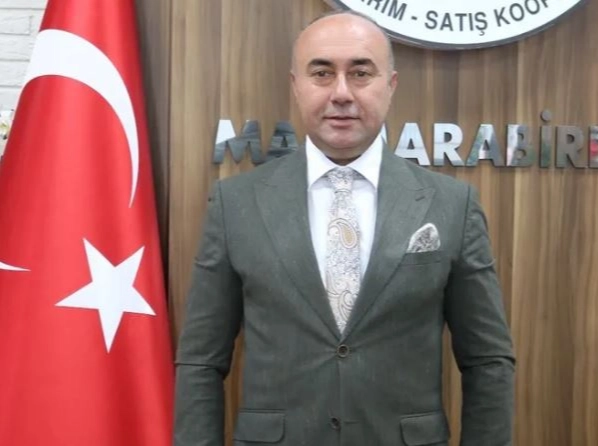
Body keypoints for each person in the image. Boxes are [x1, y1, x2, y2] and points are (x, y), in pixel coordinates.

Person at [174, 10, 515, 446]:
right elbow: (201, 361)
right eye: (321, 73)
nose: (341, 93)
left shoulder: (451, 205)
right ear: (296, 85)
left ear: (390, 85)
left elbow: (488, 360)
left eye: (360, 73)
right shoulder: (235, 204)